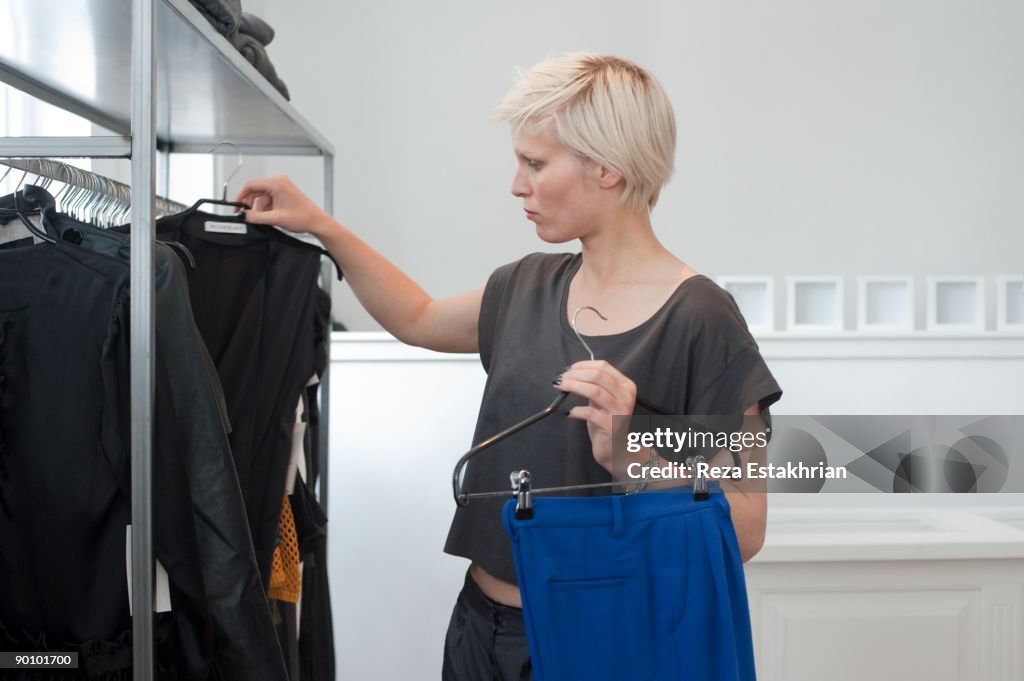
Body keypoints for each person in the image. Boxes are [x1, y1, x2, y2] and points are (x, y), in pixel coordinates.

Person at [236, 52, 781, 681]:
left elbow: (745, 529)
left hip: (599, 637)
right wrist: (321, 227)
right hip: (478, 627)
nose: (517, 185)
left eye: (535, 163)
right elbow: (416, 317)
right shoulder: (527, 285)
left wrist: (639, 460)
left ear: (607, 168)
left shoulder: (701, 319)